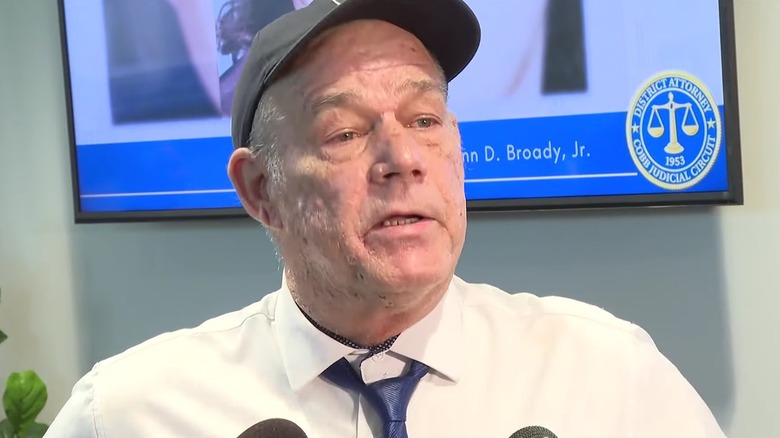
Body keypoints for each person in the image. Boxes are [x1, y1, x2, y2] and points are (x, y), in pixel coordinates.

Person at [45, 0, 728, 437]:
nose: (403, 157)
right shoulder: (130, 413)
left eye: (426, 119)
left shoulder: (608, 376)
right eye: (344, 132)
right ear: (261, 191)